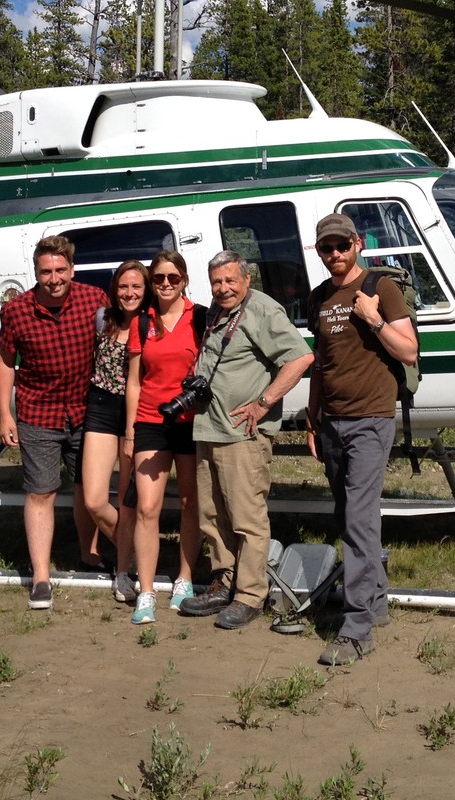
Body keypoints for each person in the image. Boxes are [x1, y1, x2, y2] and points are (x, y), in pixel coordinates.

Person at [178, 251, 313, 630]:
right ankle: (223, 582)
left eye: (230, 281)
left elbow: (301, 358)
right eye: (216, 282)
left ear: (246, 278)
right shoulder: (220, 313)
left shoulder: (262, 310)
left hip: (242, 435)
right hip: (210, 429)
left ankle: (250, 595)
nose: (223, 288)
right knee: (212, 515)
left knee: (246, 518)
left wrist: (264, 402)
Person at [306, 212, 417, 665]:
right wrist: (312, 418)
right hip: (331, 421)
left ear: (357, 243)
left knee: (358, 519)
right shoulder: (318, 298)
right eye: (326, 248)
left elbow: (408, 349)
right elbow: (321, 362)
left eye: (341, 245)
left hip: (371, 419)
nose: (334, 254)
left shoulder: (379, 288)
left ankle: (356, 630)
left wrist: (373, 319)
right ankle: (377, 602)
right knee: (349, 516)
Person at [0, 235, 110, 610]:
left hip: (86, 410)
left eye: (61, 269)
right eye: (46, 271)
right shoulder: (16, 311)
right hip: (38, 412)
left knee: (86, 490)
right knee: (40, 492)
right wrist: (5, 413)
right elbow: (6, 361)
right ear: (36, 273)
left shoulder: (95, 300)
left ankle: (89, 555)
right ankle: (41, 577)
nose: (54, 277)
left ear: (72, 270)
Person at [122, 250, 203, 625]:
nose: (166, 284)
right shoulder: (142, 323)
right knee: (147, 508)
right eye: (159, 279)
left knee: (189, 503)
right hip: (151, 421)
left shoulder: (200, 317)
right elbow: (135, 381)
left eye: (173, 277)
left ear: (184, 279)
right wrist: (129, 430)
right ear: (152, 283)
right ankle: (147, 590)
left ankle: (185, 579)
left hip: (190, 422)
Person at [81, 260, 150, 605]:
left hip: (137, 412)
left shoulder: (151, 323)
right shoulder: (102, 319)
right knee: (95, 499)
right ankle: (138, 552)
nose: (130, 293)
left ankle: (124, 570)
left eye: (137, 286)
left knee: (128, 500)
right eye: (124, 286)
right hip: (102, 406)